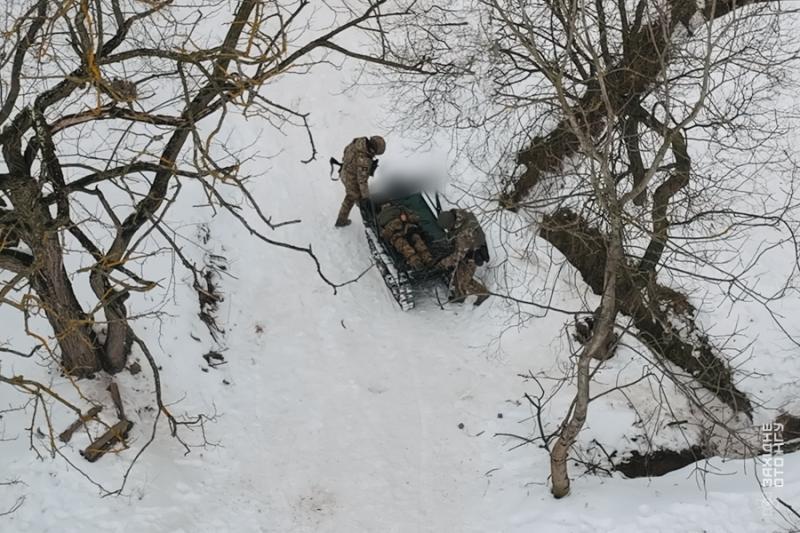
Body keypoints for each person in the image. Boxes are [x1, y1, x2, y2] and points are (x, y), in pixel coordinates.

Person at [437, 208, 489, 305]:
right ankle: (459, 295)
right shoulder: (460, 216)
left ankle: (483, 294)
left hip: (473, 255)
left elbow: (458, 256)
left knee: (465, 281)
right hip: (469, 249)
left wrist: (443, 263)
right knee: (457, 275)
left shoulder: (464, 233)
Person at [335, 135, 386, 227]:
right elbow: (362, 181)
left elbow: (346, 150)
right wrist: (366, 198)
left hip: (344, 171)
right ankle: (371, 222)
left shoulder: (358, 141)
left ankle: (341, 220)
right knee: (359, 201)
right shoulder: (365, 160)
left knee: (351, 197)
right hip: (351, 180)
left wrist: (349, 163)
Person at [378, 204, 434, 270]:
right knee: (404, 245)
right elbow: (383, 235)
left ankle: (427, 259)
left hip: (408, 230)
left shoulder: (401, 208)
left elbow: (416, 217)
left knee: (416, 240)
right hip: (396, 235)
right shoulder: (379, 219)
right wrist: (390, 228)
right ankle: (417, 262)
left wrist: (407, 218)